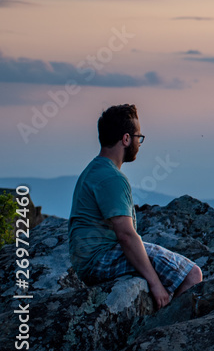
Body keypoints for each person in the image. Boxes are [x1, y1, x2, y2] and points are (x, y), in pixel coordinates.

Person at [68, 104, 202, 309]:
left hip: (86, 262)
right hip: (100, 259)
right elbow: (126, 236)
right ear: (126, 138)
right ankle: (168, 331)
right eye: (138, 137)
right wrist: (155, 284)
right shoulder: (112, 177)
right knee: (192, 274)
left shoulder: (93, 170)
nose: (139, 143)